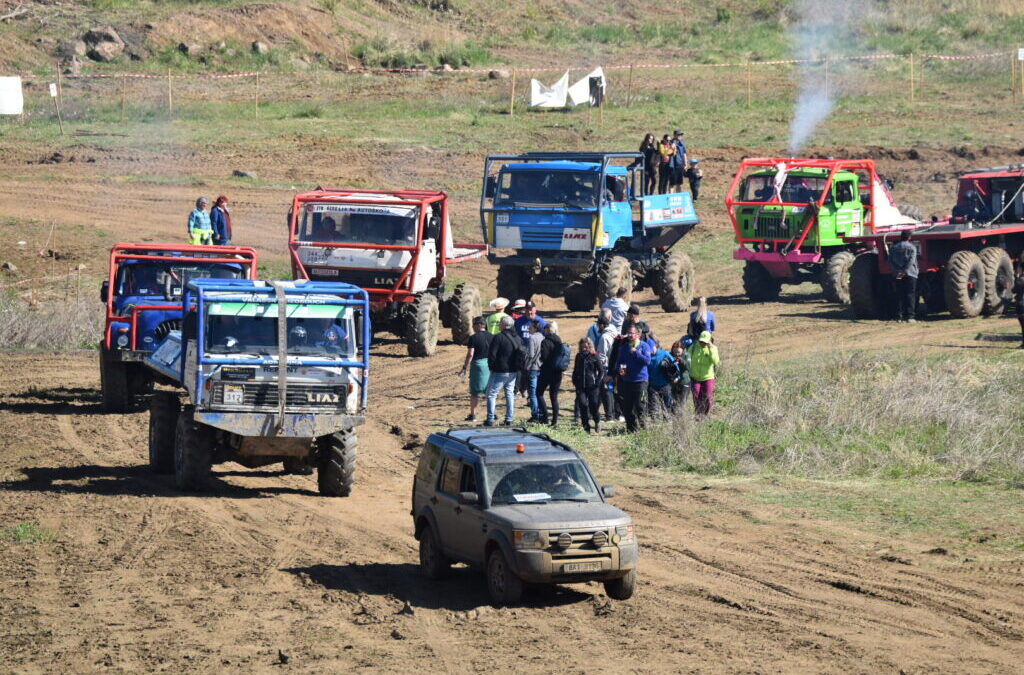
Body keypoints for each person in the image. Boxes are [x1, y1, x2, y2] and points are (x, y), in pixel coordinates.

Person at [485, 315, 523, 426]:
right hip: (513, 371)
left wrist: (491, 367)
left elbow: (492, 355)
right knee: (510, 394)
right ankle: (509, 419)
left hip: (500, 371)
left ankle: (490, 419)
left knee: (491, 394)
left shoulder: (498, 337)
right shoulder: (517, 338)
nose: (499, 325)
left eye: (500, 323)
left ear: (504, 325)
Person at [616, 323, 652, 432]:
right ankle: (631, 430)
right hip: (627, 381)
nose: (630, 335)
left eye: (632, 333)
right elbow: (620, 362)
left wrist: (636, 353)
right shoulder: (624, 348)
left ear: (638, 334)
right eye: (629, 333)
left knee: (641, 406)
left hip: (641, 381)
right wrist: (622, 370)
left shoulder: (644, 346)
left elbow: (647, 361)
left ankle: (643, 431)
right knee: (627, 408)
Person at [459, 316, 492, 422]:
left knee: (474, 392)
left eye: (473, 325)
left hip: (478, 365)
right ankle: (491, 414)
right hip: (489, 365)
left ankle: (473, 415)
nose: (472, 327)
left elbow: (470, 354)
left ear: (478, 325)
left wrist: (464, 367)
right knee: (490, 392)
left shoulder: (473, 338)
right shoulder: (492, 336)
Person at [536, 321, 566, 426]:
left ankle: (545, 417)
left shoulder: (545, 342)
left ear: (548, 330)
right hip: (557, 372)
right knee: (554, 397)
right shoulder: (559, 340)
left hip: (547, 371)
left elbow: (544, 357)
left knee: (539, 393)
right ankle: (554, 421)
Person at [572, 338, 605, 433]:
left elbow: (601, 371)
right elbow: (575, 370)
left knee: (593, 407)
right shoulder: (579, 356)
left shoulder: (595, 356)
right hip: (580, 386)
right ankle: (586, 427)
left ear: (589, 346)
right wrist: (574, 380)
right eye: (582, 346)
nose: (584, 348)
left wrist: (597, 383)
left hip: (592, 386)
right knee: (582, 405)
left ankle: (597, 421)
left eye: (586, 346)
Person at [592, 313, 619, 423]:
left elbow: (602, 356)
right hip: (614, 367)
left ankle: (609, 416)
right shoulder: (614, 331)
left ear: (602, 325)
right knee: (612, 390)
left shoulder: (604, 337)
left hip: (606, 367)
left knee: (606, 391)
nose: (597, 326)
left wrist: (599, 366)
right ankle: (614, 414)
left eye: (598, 324)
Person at [688, 330, 720, 420]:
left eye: (705, 342)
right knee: (696, 396)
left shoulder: (713, 349)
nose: (702, 343)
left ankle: (706, 414)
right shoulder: (693, 347)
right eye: (701, 341)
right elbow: (687, 358)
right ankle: (699, 414)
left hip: (708, 377)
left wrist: (711, 349)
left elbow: (716, 361)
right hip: (695, 377)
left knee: (708, 396)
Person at [888, 230, 919, 323]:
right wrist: (905, 270)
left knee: (899, 294)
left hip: (898, 274)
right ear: (909, 237)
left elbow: (890, 261)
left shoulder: (893, 248)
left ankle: (899, 316)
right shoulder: (912, 247)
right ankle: (910, 316)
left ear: (900, 237)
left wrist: (897, 270)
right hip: (910, 273)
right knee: (910, 294)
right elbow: (911, 261)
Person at [523, 319, 545, 422]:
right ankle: (541, 412)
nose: (528, 328)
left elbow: (531, 354)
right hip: (541, 367)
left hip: (533, 368)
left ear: (535, 328)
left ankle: (535, 414)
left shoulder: (532, 338)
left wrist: (526, 365)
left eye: (530, 327)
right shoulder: (542, 337)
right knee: (539, 392)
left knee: (532, 393)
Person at [646, 339, 674, 416]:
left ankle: (668, 420)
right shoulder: (647, 357)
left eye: (652, 349)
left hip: (665, 384)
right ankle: (655, 421)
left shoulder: (664, 353)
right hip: (653, 385)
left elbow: (674, 364)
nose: (651, 351)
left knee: (667, 405)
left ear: (655, 346)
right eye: (649, 350)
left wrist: (676, 376)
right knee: (654, 407)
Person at [666, 339, 691, 410]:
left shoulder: (686, 355)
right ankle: (673, 415)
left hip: (684, 382)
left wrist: (681, 361)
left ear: (683, 350)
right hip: (673, 383)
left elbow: (689, 367)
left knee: (681, 403)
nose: (677, 354)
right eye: (675, 352)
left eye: (678, 352)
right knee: (673, 403)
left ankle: (681, 415)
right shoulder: (669, 356)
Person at [1014, 263, 1024, 349]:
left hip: (1021, 305)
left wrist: (1016, 278)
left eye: (1019, 268)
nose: (1017, 269)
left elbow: (1014, 290)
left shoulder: (1020, 280)